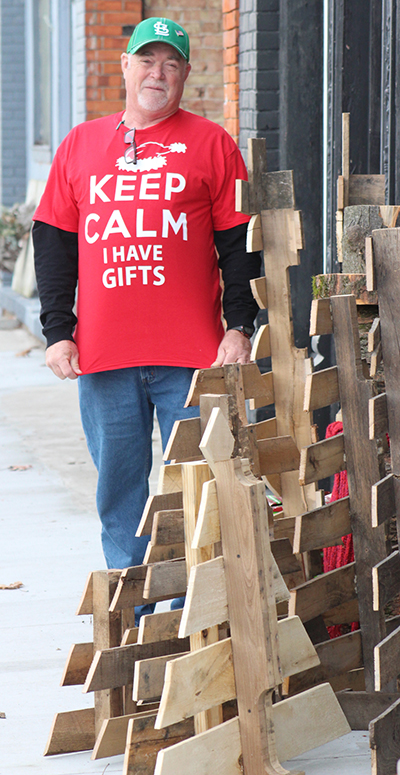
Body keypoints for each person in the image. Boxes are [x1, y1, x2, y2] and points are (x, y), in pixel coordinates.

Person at [32, 18, 261, 588]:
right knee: (120, 493)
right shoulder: (81, 144)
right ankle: (132, 618)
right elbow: (54, 239)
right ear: (126, 67)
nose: (157, 73)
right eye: (147, 60)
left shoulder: (212, 144)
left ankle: (191, 619)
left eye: (171, 64)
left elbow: (239, 245)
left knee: (200, 486)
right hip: (105, 356)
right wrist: (58, 330)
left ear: (185, 74)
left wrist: (239, 325)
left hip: (194, 358)